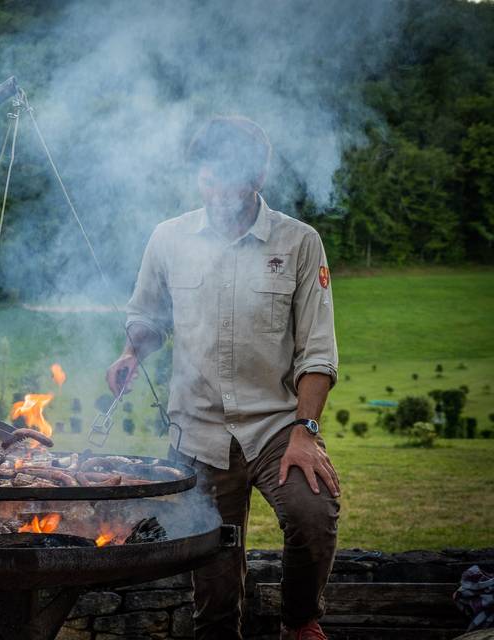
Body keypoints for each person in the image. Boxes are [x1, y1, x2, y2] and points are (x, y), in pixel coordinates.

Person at [106, 117, 340, 640]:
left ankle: (299, 621)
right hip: (198, 429)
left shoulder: (299, 243)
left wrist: (306, 431)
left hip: (276, 425)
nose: (215, 189)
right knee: (212, 577)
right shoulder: (169, 238)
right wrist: (130, 354)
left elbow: (318, 352)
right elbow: (148, 318)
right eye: (207, 176)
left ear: (256, 176)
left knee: (312, 513)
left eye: (228, 176)